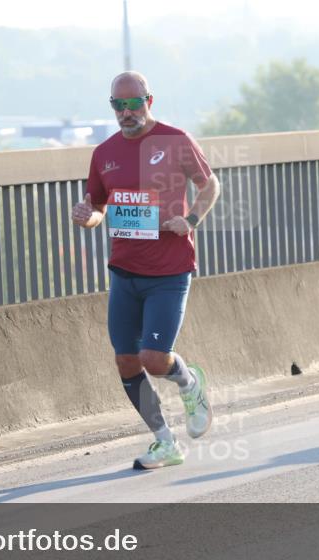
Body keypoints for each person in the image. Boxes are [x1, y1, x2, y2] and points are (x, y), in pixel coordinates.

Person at [72, 72, 221, 470]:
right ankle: (165, 441)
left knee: (154, 358)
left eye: (133, 103)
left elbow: (209, 187)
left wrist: (190, 220)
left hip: (169, 270)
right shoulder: (104, 153)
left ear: (149, 100)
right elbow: (98, 209)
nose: (126, 112)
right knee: (126, 361)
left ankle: (189, 383)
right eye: (117, 105)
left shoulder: (175, 140)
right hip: (124, 270)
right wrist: (86, 217)